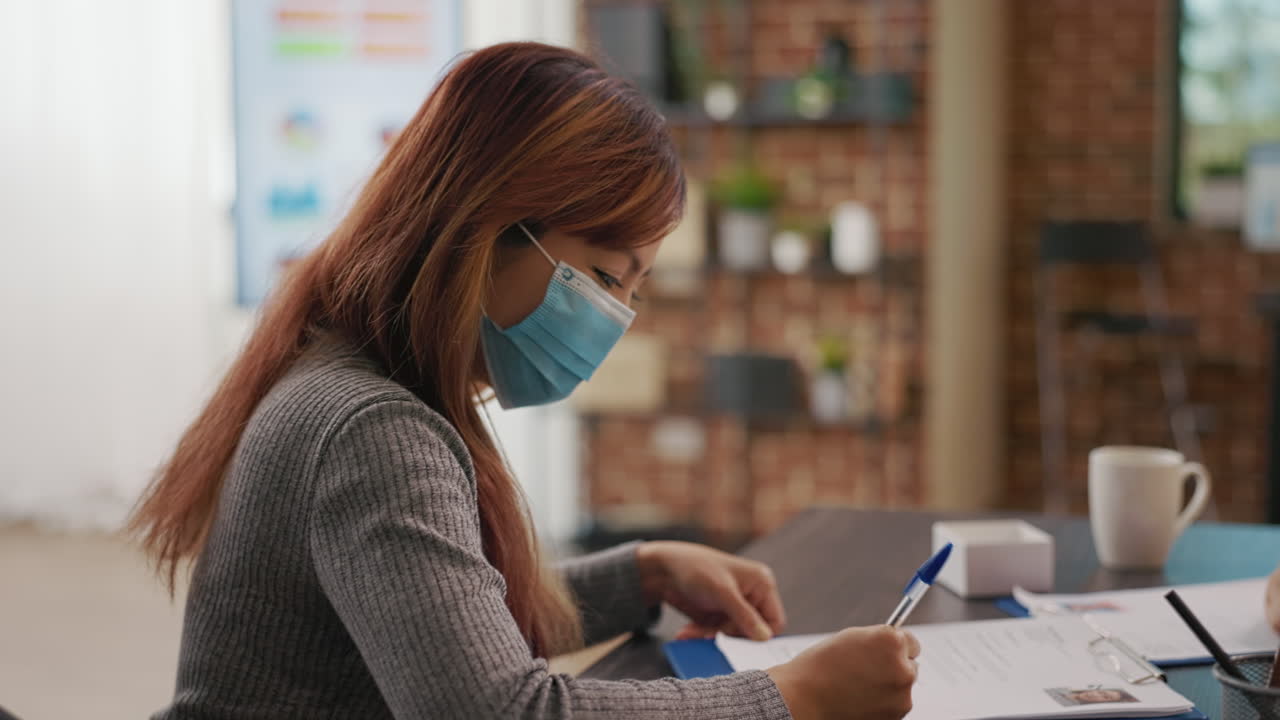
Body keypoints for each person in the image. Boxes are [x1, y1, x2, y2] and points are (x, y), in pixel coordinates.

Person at [130, 42, 920, 720]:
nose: (618, 315)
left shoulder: (349, 372)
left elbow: (435, 616)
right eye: (608, 276)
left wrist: (639, 575)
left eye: (635, 290)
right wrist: (791, 698)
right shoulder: (372, 428)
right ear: (491, 229)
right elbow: (499, 710)